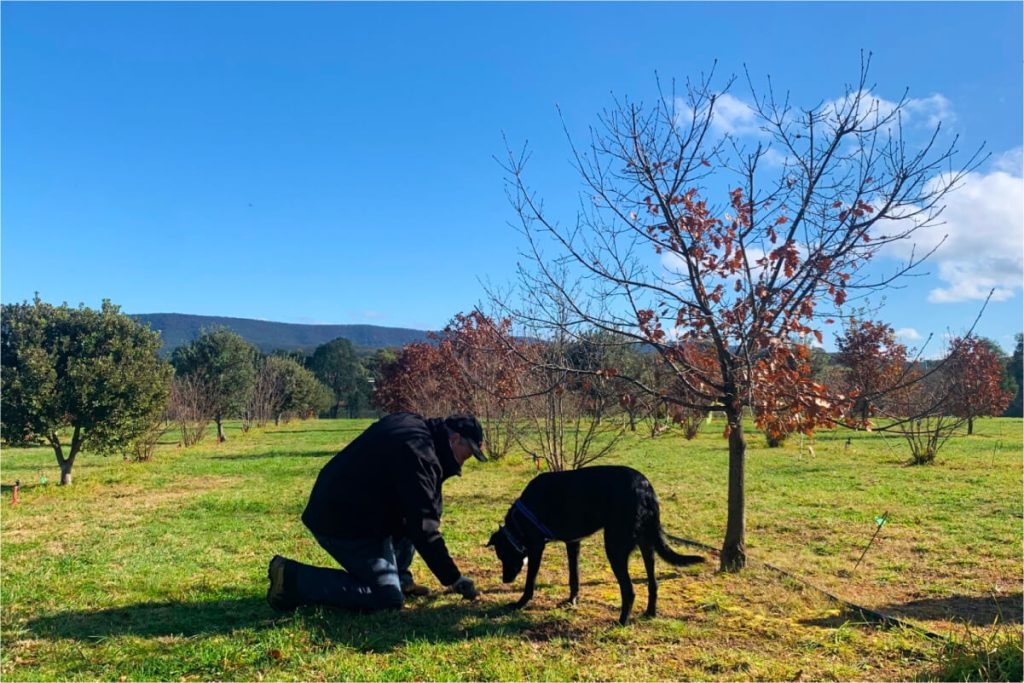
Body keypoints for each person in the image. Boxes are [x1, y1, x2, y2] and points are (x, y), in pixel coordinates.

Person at [266, 412, 486, 612]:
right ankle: (291, 578)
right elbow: (423, 526)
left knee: (409, 512)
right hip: (342, 519)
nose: (462, 464)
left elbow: (420, 508)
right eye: (468, 454)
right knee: (386, 599)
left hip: (351, 504)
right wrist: (453, 578)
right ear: (455, 439)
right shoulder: (420, 455)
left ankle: (400, 578)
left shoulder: (413, 426)